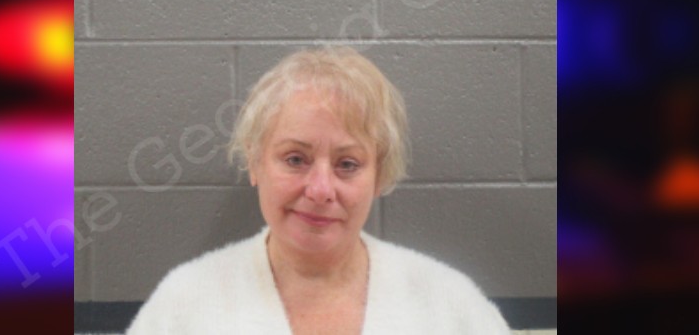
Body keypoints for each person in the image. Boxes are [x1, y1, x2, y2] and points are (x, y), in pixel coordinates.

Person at [126, 46, 510, 334]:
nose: (321, 190)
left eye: (348, 164)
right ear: (255, 162)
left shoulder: (449, 306)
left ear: (380, 175)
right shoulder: (183, 306)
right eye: (295, 159)